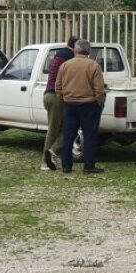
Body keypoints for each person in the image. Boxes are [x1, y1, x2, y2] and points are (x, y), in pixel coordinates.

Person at [57, 39, 107, 174]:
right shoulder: (93, 66)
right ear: (88, 51)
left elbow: (58, 87)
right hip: (89, 105)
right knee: (89, 136)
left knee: (68, 136)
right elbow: (99, 89)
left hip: (69, 105)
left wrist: (64, 98)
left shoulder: (65, 65)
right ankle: (88, 166)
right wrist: (99, 103)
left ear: (75, 49)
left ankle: (66, 165)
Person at [41, 36, 78, 171]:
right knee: (54, 129)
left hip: (49, 94)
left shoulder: (60, 53)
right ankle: (46, 160)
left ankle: (52, 154)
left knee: (65, 129)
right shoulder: (68, 56)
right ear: (75, 47)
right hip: (56, 96)